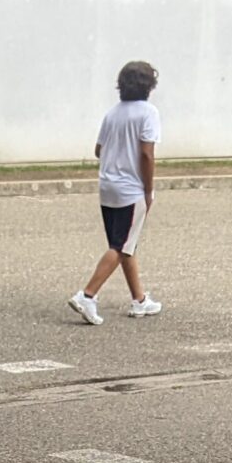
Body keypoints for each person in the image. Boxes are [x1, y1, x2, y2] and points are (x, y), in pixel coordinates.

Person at [68, 61, 162, 326]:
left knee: (124, 245)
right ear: (149, 86)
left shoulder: (112, 114)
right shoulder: (149, 113)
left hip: (107, 186)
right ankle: (87, 295)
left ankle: (140, 300)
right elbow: (146, 153)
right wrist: (148, 189)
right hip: (131, 189)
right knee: (120, 246)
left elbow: (99, 150)